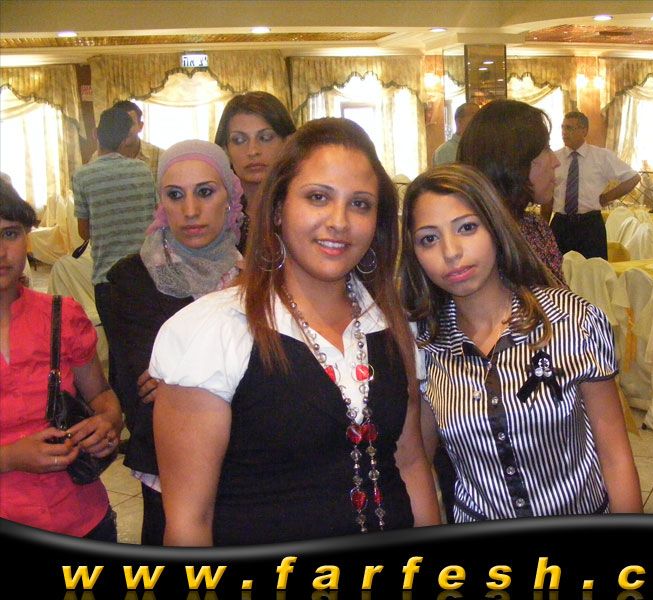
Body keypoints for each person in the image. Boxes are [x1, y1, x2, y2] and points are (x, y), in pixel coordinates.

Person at [151, 118, 440, 546]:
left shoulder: (393, 324)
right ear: (277, 209)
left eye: (360, 204)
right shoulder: (214, 332)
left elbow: (411, 463)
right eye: (318, 197)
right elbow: (190, 521)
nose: (339, 221)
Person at [399, 164, 642, 523]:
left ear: (494, 228)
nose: (450, 252)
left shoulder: (571, 321)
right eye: (429, 239)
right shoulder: (424, 345)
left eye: (467, 228)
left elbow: (615, 456)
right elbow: (416, 463)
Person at [105, 140, 243, 545]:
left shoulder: (256, 271)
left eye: (205, 192)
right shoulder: (130, 279)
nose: (191, 210)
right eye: (175, 195)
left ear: (230, 197)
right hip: (167, 469)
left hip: (250, 465)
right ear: (161, 203)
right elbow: (143, 390)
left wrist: (186, 380)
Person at [0, 179, 123, 540]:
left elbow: (101, 396)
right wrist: (9, 457)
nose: (1, 251)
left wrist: (107, 423)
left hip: (82, 515)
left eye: (10, 234)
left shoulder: (61, 315)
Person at [457, 99, 564, 283]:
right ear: (515, 160)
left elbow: (560, 298)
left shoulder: (533, 225)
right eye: (546, 148)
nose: (556, 161)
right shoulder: (483, 238)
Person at [73, 106, 158, 337]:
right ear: (125, 138)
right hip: (145, 274)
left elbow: (84, 232)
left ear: (96, 134)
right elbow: (156, 217)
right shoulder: (142, 170)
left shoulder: (82, 176)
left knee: (116, 345)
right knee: (146, 343)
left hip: (106, 278)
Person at [551, 111, 640, 260]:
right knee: (557, 270)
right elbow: (548, 195)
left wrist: (607, 197)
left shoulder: (601, 156)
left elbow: (633, 178)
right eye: (563, 127)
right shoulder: (555, 158)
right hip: (561, 224)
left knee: (594, 270)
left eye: (570, 128)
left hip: (589, 225)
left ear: (584, 131)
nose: (564, 132)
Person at [214, 91, 296, 253]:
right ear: (225, 150)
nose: (253, 151)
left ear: (287, 143)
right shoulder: (216, 212)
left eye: (265, 138)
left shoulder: (302, 208)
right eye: (239, 140)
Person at [91, 100, 163, 178]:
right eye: (120, 124)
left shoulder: (159, 156)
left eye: (130, 124)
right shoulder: (97, 158)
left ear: (140, 126)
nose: (125, 129)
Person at [432, 102, 479, 166]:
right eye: (474, 116)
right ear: (459, 121)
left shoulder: (480, 148)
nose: (479, 121)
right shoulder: (444, 151)